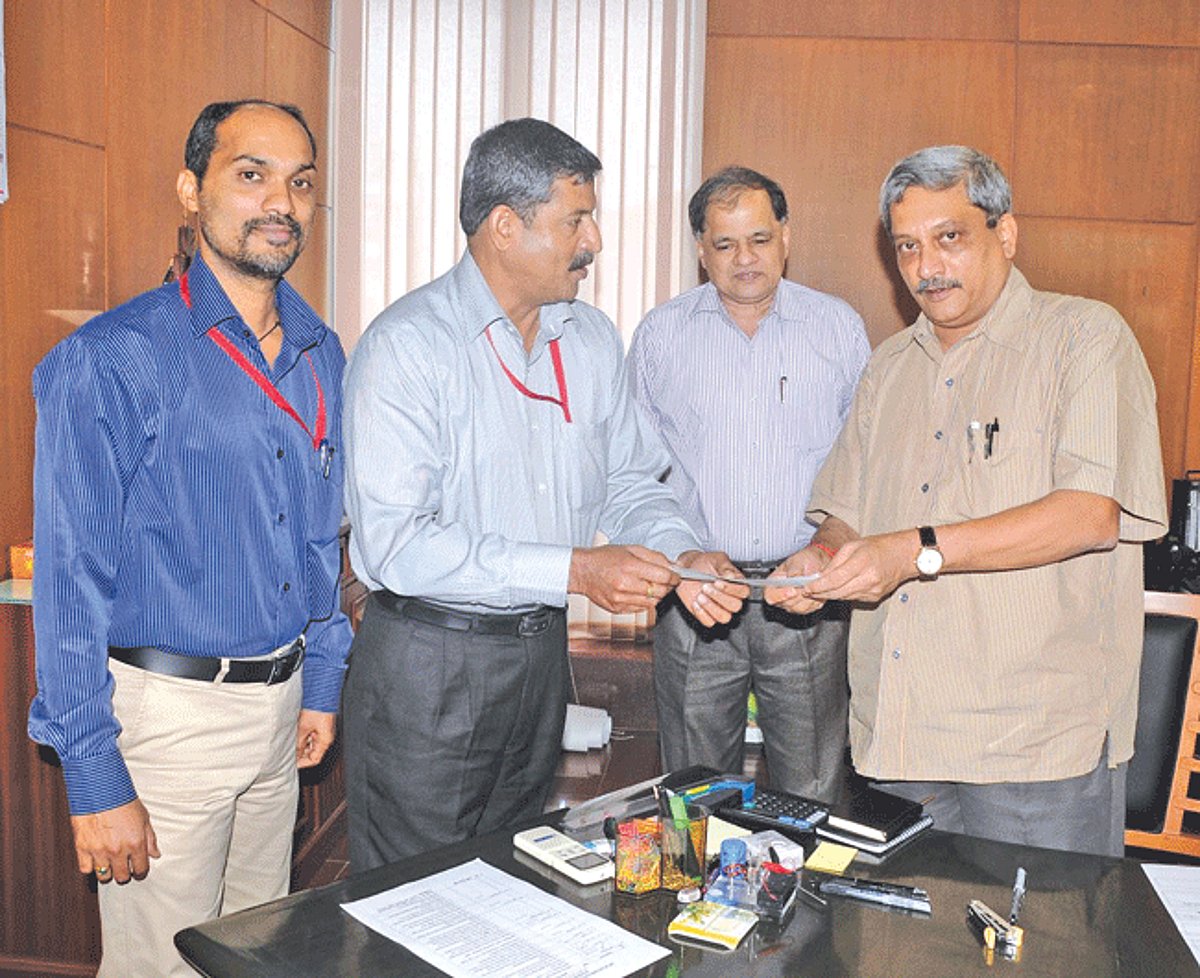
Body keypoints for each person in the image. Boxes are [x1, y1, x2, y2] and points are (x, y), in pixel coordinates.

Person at [341, 117, 747, 869]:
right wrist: (575, 569)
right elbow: (398, 545)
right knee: (408, 903)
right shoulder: (407, 348)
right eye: (575, 220)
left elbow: (628, 481)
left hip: (536, 665)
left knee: (507, 878)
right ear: (504, 227)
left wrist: (680, 551)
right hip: (428, 670)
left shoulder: (589, 340)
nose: (593, 241)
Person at [766, 145, 1166, 856]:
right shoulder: (888, 368)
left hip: (1032, 745)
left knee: (1041, 956)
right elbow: (847, 510)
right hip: (901, 737)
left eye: (949, 238)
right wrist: (822, 556)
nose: (926, 266)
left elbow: (1091, 515)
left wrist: (911, 552)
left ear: (1004, 236)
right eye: (907, 247)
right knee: (901, 956)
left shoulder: (1084, 338)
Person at [29, 100, 352, 977]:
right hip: (167, 726)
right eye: (251, 175)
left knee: (254, 957)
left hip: (280, 711)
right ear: (190, 189)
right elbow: (70, 584)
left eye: (301, 182)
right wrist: (94, 775)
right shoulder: (114, 358)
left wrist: (320, 678)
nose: (280, 201)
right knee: (160, 971)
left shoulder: (322, 352)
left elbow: (321, 538)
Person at [627, 167, 869, 801]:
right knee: (693, 794)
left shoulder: (838, 329)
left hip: (808, 596)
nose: (745, 259)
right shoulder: (660, 336)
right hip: (698, 595)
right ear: (701, 251)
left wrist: (827, 554)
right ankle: (698, 901)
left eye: (759, 238)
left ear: (786, 236)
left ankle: (808, 900)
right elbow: (630, 470)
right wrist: (679, 561)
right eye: (726, 244)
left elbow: (866, 462)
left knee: (811, 791)